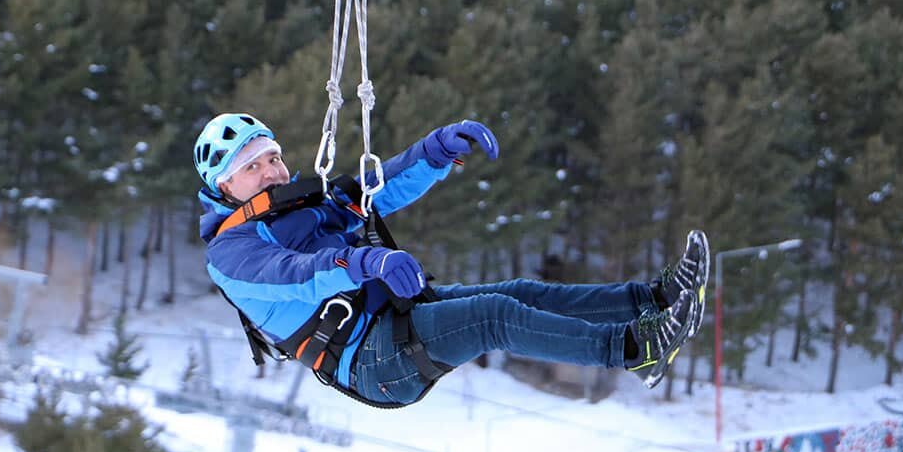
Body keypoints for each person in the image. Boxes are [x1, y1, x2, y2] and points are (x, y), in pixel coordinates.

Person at [194, 112, 709, 406]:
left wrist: (434, 151)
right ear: (225, 186)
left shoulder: (299, 204)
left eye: (273, 157)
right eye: (253, 166)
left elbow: (375, 190)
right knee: (493, 317)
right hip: (370, 359)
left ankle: (653, 300)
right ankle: (636, 349)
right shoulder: (230, 252)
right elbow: (292, 276)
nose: (273, 171)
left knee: (519, 294)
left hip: (396, 316)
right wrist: (362, 264)